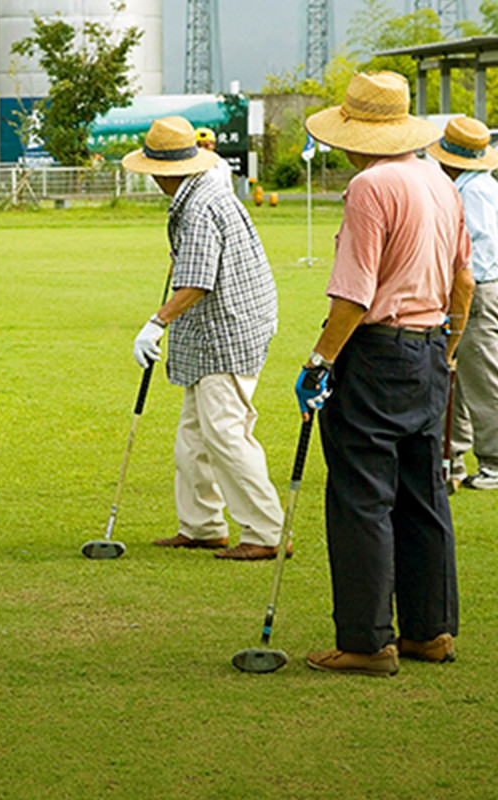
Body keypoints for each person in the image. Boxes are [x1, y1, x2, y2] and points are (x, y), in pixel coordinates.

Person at [295, 71, 474, 676]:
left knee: (361, 496)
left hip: (376, 353)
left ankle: (368, 641)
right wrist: (448, 345)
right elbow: (463, 280)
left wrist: (319, 361)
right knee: (424, 495)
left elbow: (352, 295)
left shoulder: (371, 186)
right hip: (428, 352)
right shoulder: (439, 180)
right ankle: (431, 631)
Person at [121, 116, 286, 561]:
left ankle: (267, 532)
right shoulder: (200, 192)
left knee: (226, 433)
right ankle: (202, 525)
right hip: (221, 324)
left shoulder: (199, 205)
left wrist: (156, 322)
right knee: (194, 436)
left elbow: (197, 282)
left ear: (161, 171)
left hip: (228, 329)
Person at [427, 117, 498, 492]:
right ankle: (453, 455)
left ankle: (494, 460)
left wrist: (460, 291)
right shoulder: (468, 186)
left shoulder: (476, 191)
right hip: (469, 288)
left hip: (478, 289)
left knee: (481, 375)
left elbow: (480, 253)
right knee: (459, 372)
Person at [195, 126, 234, 192]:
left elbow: (229, 188)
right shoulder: (189, 164)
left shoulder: (221, 164)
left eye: (207, 145)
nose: (202, 149)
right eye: (199, 145)